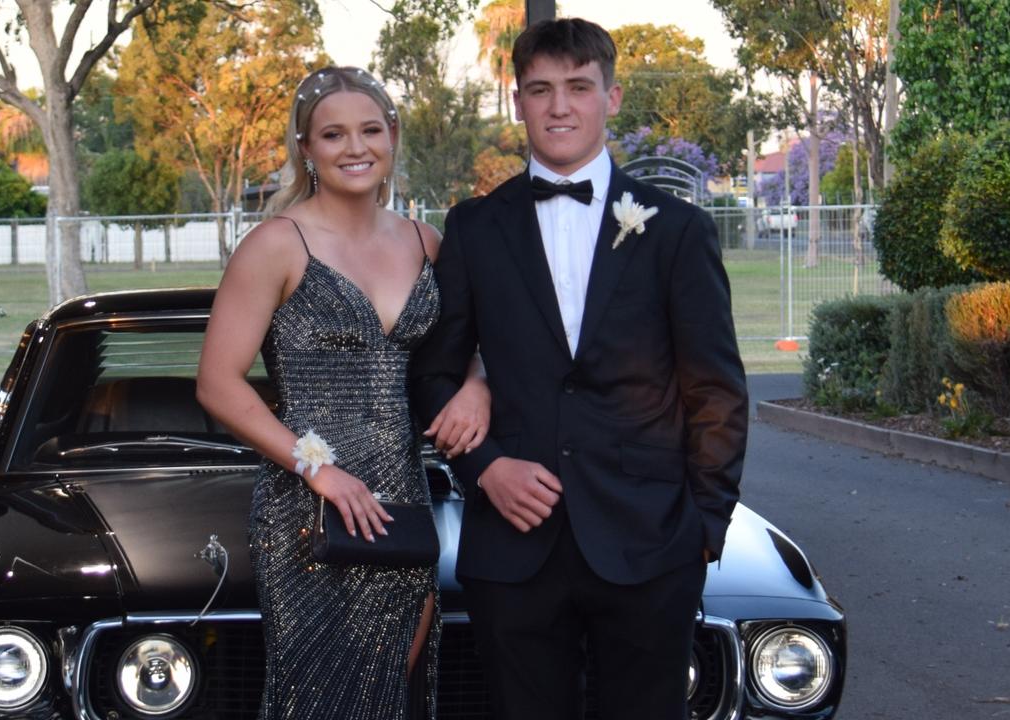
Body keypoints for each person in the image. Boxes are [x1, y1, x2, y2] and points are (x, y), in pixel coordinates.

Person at [411, 18, 749, 720]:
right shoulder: (474, 227)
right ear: (517, 103)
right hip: (513, 547)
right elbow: (432, 376)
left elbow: (715, 390)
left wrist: (702, 530)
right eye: (539, 90)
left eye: (576, 87)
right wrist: (486, 468)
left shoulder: (676, 230)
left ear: (611, 97)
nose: (558, 106)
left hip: (651, 545)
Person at [196, 66, 489, 720]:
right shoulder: (276, 243)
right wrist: (320, 472)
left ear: (391, 137)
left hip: (400, 501)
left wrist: (477, 386)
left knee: (388, 694)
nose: (354, 148)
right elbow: (217, 384)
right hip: (307, 503)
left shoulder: (427, 243)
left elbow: (464, 354)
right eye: (333, 134)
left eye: (369, 130)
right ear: (306, 147)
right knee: (317, 697)